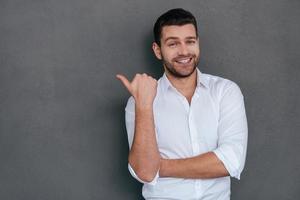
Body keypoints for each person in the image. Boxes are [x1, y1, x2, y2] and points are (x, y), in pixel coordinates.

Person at [116, 8, 248, 200]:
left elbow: (231, 162)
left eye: (190, 41)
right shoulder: (139, 101)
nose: (184, 51)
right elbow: (145, 172)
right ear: (157, 50)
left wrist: (159, 166)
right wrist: (144, 106)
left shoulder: (225, 91)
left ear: (198, 43)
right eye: (173, 44)